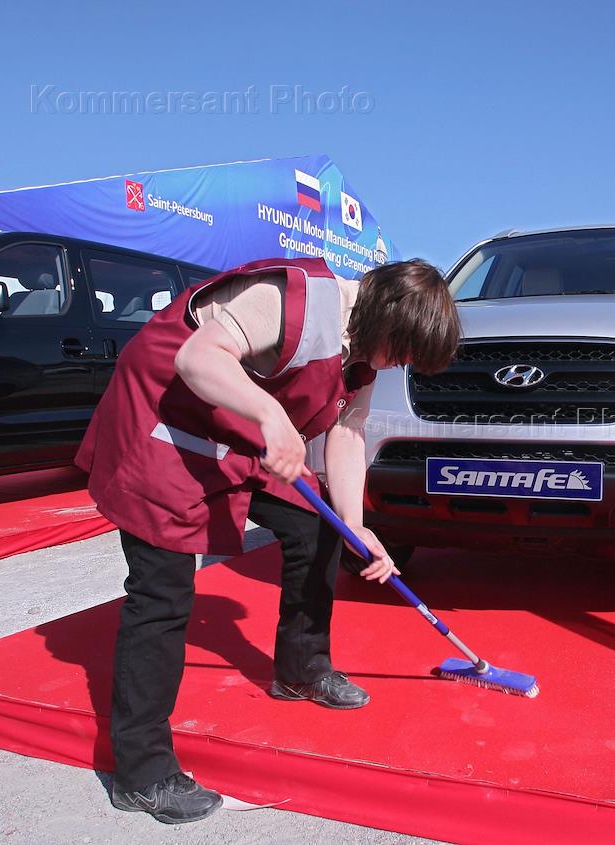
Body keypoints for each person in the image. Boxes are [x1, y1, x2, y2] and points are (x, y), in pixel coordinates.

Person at [76, 257, 461, 823]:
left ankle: (301, 670)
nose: (399, 364)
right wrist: (272, 417)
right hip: (164, 424)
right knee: (163, 594)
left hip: (237, 436)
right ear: (387, 318)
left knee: (318, 527)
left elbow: (347, 431)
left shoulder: (364, 350)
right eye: (401, 353)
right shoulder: (289, 301)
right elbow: (197, 357)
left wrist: (355, 524)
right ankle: (141, 772)